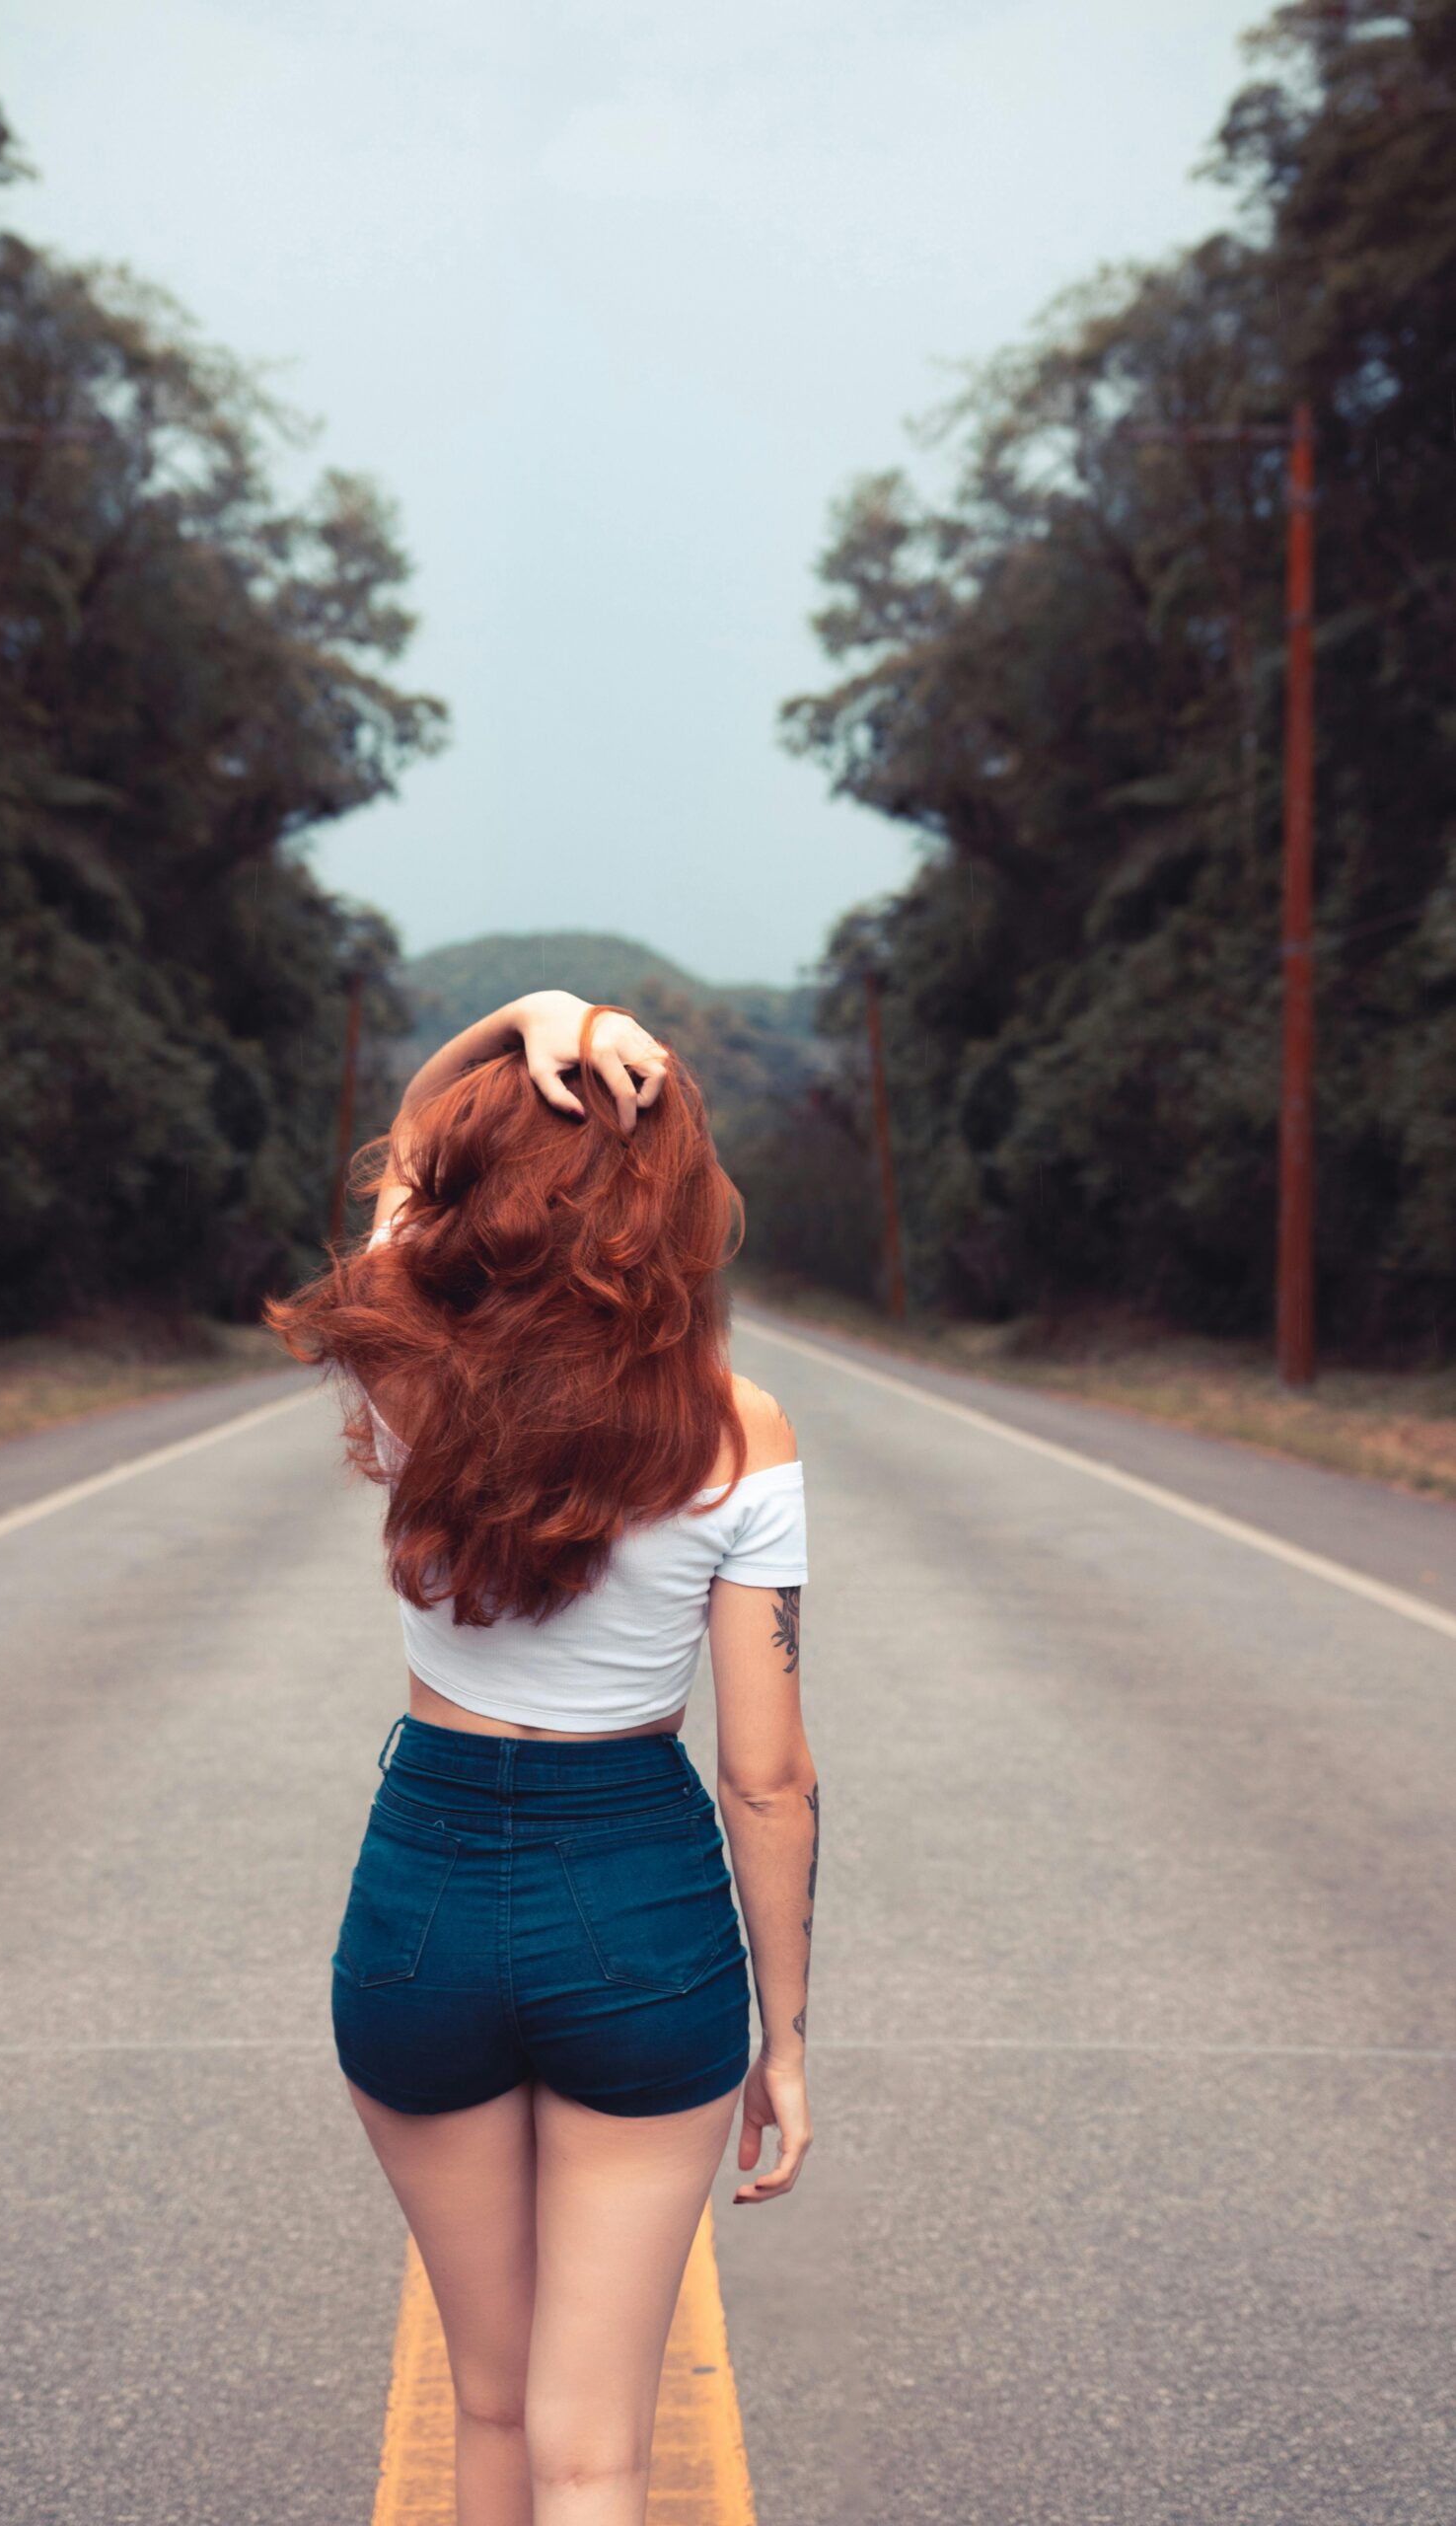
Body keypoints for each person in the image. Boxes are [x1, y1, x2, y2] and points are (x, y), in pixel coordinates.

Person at [266, 989, 819, 2526]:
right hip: (638, 1903)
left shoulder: (407, 1367)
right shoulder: (740, 1427)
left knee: (492, 2411)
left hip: (422, 1901)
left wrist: (521, 1025)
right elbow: (767, 1775)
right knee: (598, 2455)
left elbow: (400, 1176)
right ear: (674, 1198)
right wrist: (783, 2034)